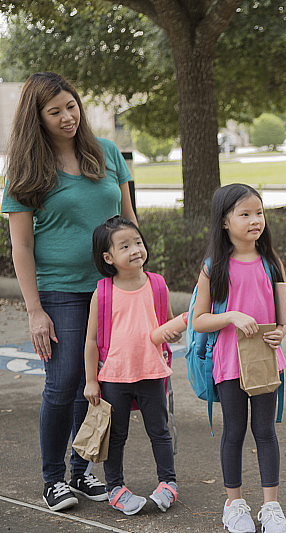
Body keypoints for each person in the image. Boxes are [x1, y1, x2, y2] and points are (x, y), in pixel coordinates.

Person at [1, 72, 137, 511]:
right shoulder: (26, 170)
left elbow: (128, 221)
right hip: (59, 290)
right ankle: (52, 478)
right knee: (63, 383)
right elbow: (20, 245)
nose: (67, 117)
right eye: (54, 110)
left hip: (109, 288)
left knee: (93, 385)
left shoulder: (108, 154)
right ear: (37, 117)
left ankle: (80, 472)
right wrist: (35, 311)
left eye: (71, 106)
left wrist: (137, 280)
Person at [192, 184, 286, 533]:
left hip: (265, 361)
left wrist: (282, 332)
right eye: (244, 214)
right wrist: (232, 316)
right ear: (224, 222)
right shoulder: (213, 268)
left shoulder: (271, 263)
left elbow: (284, 315)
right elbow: (199, 320)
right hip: (228, 364)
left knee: (265, 430)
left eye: (259, 213)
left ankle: (271, 506)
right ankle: (234, 504)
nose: (254, 221)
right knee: (234, 431)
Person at [83, 216, 182, 515]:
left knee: (159, 431)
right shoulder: (103, 292)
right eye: (125, 246)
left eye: (138, 242)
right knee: (116, 435)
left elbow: (166, 325)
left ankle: (169, 483)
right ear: (108, 257)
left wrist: (174, 332)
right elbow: (90, 341)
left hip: (151, 372)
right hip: (114, 376)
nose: (135, 249)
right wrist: (91, 380)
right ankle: (115, 488)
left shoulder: (157, 284)